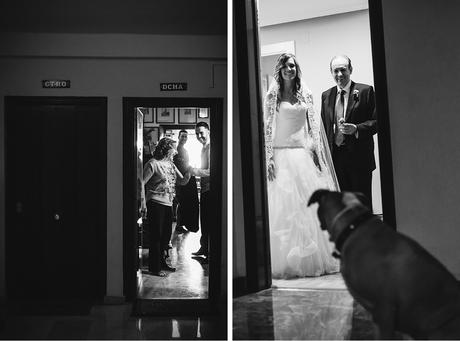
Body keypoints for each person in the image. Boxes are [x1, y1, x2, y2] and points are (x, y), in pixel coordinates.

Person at [264, 53, 340, 278]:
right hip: (282, 154)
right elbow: (268, 127)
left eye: (293, 65)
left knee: (309, 207)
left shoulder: (304, 92)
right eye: (286, 66)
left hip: (302, 153)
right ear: (280, 70)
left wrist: (316, 152)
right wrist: (268, 158)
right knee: (286, 208)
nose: (290, 69)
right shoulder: (273, 95)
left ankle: (313, 258)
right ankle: (287, 261)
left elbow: (313, 126)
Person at [320, 55, 377, 208]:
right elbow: (324, 128)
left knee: (362, 205)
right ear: (331, 72)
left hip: (360, 159)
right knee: (342, 206)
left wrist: (357, 129)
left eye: (343, 70)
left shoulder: (366, 91)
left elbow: (377, 122)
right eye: (335, 71)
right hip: (336, 160)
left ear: (350, 70)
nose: (339, 74)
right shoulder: (326, 96)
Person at [141, 137, 191, 276]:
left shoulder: (171, 165)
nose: (175, 152)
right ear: (166, 149)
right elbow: (141, 183)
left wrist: (190, 170)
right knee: (156, 236)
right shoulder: (153, 164)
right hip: (155, 203)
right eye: (173, 148)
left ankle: (162, 262)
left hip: (168, 203)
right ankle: (154, 268)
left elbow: (182, 181)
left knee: (165, 237)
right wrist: (143, 203)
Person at [190, 122, 211, 258]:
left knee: (209, 221)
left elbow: (210, 171)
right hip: (204, 189)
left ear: (208, 131)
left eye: (201, 133)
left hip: (210, 189)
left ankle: (209, 253)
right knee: (204, 221)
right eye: (197, 133)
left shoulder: (210, 148)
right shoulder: (203, 148)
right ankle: (204, 248)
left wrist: (194, 171)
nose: (199, 136)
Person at [173, 130, 199, 234]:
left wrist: (190, 170)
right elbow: (174, 166)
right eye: (182, 136)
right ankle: (178, 225)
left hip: (186, 179)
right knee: (181, 202)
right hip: (179, 180)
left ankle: (183, 224)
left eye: (186, 137)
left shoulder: (185, 151)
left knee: (185, 203)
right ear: (178, 137)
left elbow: (186, 164)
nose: (184, 138)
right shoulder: (175, 150)